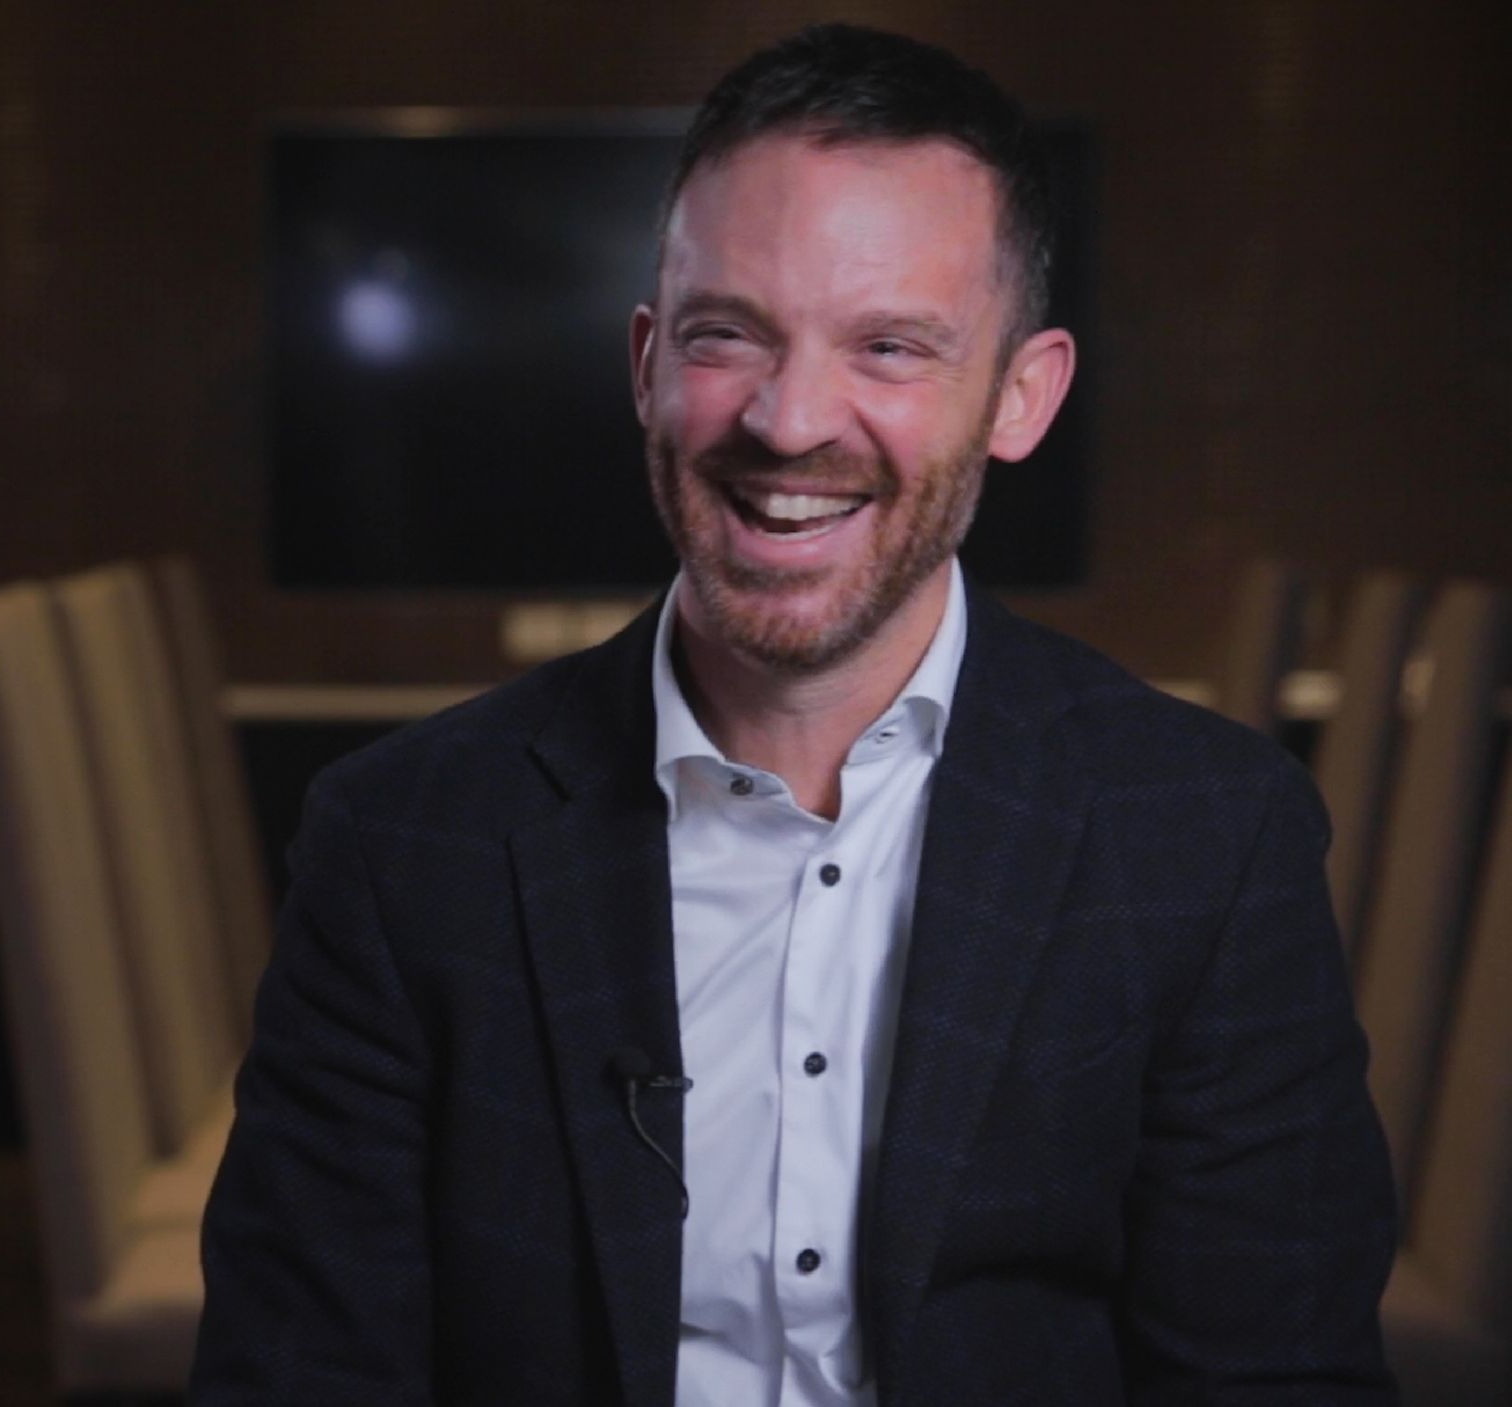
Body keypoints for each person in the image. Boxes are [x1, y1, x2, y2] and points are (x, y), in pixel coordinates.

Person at [192, 25, 1397, 1406]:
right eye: (729, 336)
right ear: (647, 360)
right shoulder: (403, 842)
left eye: (889, 346)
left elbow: (1272, 1379)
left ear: (1021, 394)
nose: (788, 420)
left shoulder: (1208, 840)